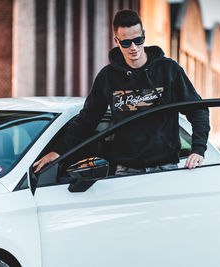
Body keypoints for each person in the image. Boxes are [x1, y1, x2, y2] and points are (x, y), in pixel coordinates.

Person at [34, 9, 210, 175]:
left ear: (144, 35)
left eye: (138, 40)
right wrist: (58, 151)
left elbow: (197, 109)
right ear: (116, 41)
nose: (133, 47)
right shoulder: (108, 77)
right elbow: (87, 119)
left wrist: (198, 149)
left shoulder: (169, 70)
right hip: (127, 170)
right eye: (126, 42)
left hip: (164, 167)